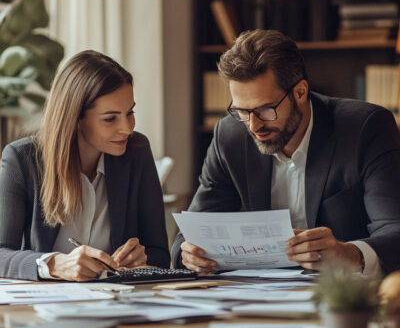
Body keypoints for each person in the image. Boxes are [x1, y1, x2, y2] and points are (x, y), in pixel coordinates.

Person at [172, 29, 400, 277]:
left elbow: (394, 231)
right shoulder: (230, 136)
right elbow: (190, 233)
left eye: (265, 109)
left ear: (300, 92)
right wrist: (189, 255)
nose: (253, 125)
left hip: (345, 294)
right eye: (242, 111)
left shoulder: (365, 127)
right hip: (258, 297)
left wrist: (349, 254)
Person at [0, 50, 170, 281]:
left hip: (117, 301)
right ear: (75, 118)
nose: (127, 128)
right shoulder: (21, 159)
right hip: (44, 305)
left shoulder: (136, 151)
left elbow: (159, 253)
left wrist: (141, 259)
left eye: (129, 112)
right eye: (110, 118)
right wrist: (54, 264)